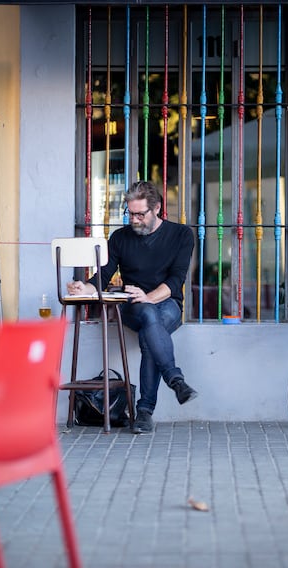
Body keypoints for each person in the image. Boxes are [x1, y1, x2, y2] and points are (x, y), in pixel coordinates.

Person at [67, 180, 198, 433]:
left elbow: (175, 280)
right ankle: (173, 381)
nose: (134, 219)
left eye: (140, 214)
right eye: (131, 213)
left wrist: (149, 296)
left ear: (157, 208)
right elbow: (102, 277)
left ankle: (145, 412)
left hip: (167, 303)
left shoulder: (181, 235)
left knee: (152, 323)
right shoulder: (119, 238)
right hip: (131, 305)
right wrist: (84, 288)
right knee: (148, 315)